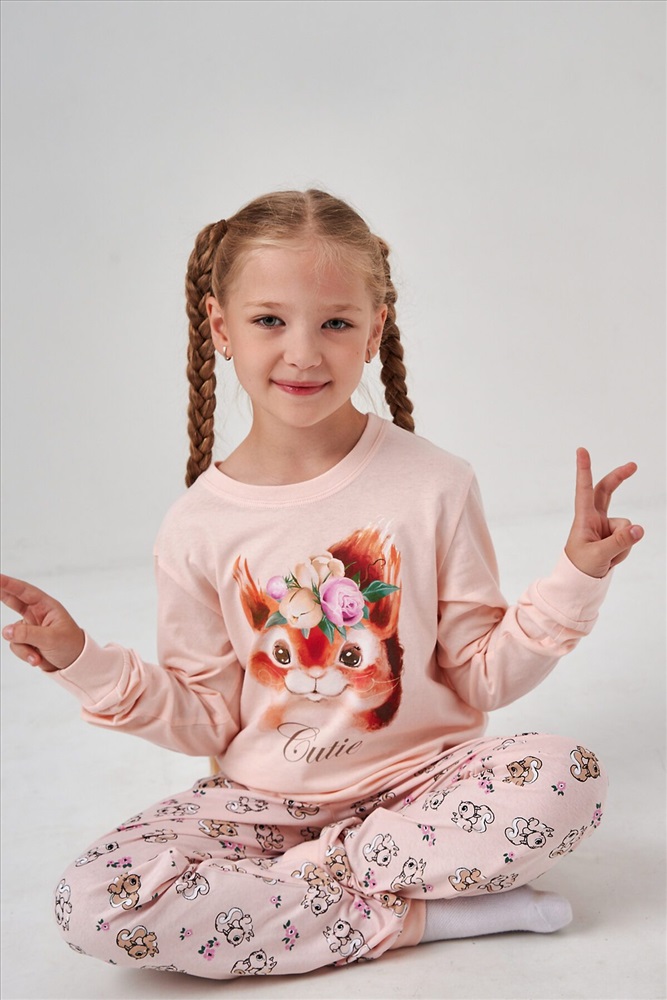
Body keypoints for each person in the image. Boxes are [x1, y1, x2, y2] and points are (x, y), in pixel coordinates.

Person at [0, 189, 643, 981]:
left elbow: (481, 677)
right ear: (220, 327)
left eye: (335, 323)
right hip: (263, 808)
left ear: (374, 331)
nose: (303, 353)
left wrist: (576, 576)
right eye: (270, 320)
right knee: (95, 903)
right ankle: (417, 916)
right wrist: (81, 660)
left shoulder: (435, 483)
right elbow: (207, 718)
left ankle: (302, 898)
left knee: (565, 778)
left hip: (423, 787)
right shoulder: (196, 526)